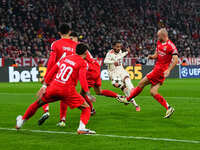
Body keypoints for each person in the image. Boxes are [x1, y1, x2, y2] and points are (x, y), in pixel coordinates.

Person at [16, 43, 96, 134]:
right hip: (68, 91)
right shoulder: (83, 63)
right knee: (86, 108)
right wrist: (88, 94)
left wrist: (44, 85)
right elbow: (82, 79)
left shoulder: (65, 58)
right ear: (86, 52)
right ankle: (81, 128)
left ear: (75, 50)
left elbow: (53, 70)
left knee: (38, 103)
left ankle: (21, 122)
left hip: (54, 87)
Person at [57, 34, 124, 127]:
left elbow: (74, 60)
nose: (70, 40)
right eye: (70, 38)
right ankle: (118, 96)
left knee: (80, 94)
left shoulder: (77, 48)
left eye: (72, 38)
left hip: (90, 71)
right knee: (99, 91)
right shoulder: (80, 47)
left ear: (76, 39)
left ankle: (89, 110)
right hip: (95, 68)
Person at [118, 28, 178, 118]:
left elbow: (175, 60)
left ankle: (127, 99)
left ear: (163, 35)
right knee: (153, 92)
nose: (157, 37)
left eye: (158, 35)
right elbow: (157, 54)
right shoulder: (159, 42)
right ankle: (168, 107)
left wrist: (169, 70)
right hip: (159, 71)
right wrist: (152, 57)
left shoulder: (171, 46)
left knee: (141, 83)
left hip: (159, 71)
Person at [38, 23, 78, 125]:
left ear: (59, 32)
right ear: (70, 32)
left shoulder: (55, 44)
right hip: (69, 74)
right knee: (64, 96)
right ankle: (62, 120)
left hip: (57, 72)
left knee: (44, 91)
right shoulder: (76, 46)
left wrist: (47, 76)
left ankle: (46, 111)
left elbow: (51, 61)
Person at [104, 41, 140, 111]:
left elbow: (120, 55)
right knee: (124, 89)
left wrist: (126, 52)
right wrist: (113, 62)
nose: (119, 48)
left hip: (120, 69)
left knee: (127, 79)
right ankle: (134, 103)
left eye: (120, 46)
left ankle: (133, 90)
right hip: (113, 72)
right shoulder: (109, 53)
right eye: (117, 47)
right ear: (113, 47)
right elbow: (105, 61)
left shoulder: (120, 51)